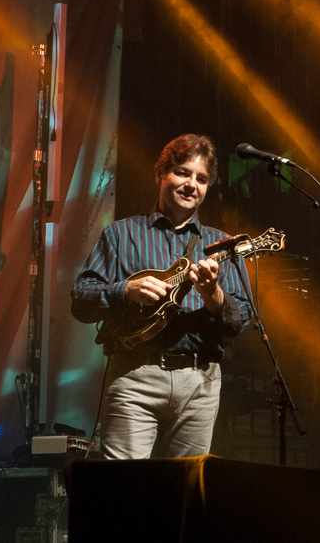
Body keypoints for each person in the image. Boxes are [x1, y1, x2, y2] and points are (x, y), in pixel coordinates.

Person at [71, 134, 253, 459]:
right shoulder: (119, 234)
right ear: (160, 174)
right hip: (134, 375)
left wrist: (213, 294)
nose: (192, 185)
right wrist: (125, 290)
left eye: (202, 179)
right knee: (125, 484)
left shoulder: (222, 246)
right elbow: (81, 300)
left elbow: (239, 322)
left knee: (185, 486)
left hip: (200, 382)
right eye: (183, 173)